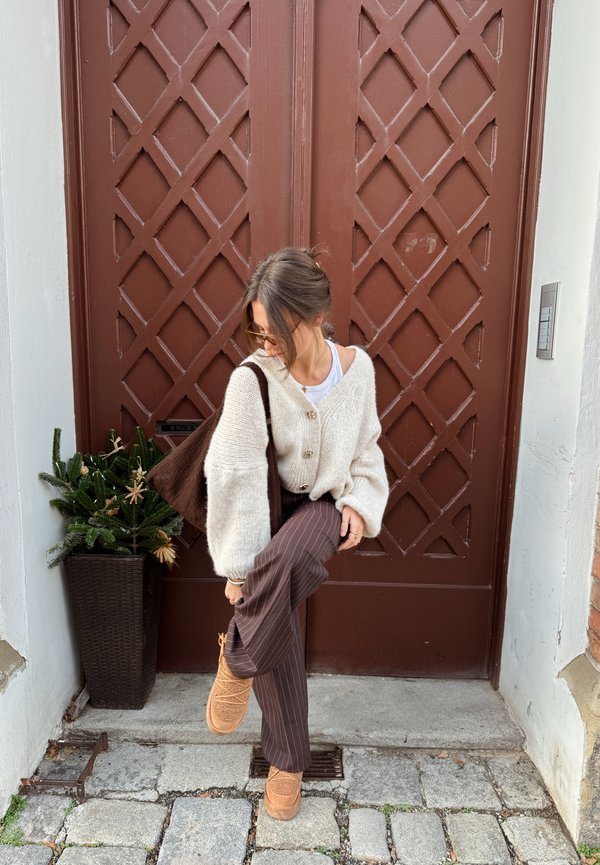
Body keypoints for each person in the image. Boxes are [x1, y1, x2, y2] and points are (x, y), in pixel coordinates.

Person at [203, 246, 389, 820]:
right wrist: (239, 569)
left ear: (313, 318)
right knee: (273, 604)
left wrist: (360, 501)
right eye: (257, 331)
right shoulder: (252, 378)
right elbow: (233, 473)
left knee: (282, 567)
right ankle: (286, 763)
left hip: (320, 507)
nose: (266, 344)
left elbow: (367, 449)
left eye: (275, 332)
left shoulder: (358, 371)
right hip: (263, 504)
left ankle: (236, 656)